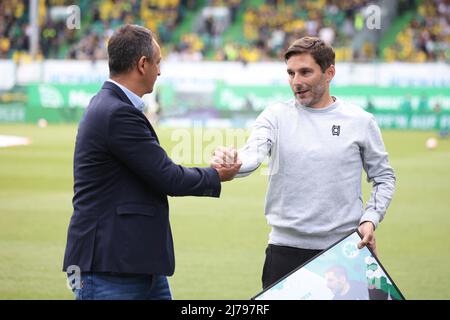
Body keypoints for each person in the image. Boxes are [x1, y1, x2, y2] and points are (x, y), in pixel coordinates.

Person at [62, 24, 241, 300]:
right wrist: (217, 175)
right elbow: (167, 176)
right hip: (111, 267)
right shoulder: (116, 112)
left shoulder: (111, 106)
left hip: (134, 263)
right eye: (158, 63)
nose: (160, 71)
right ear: (142, 64)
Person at [212, 37, 396, 289]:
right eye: (290, 73)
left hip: (343, 249)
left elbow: (384, 178)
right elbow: (252, 155)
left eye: (305, 72)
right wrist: (233, 162)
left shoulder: (360, 121)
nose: (296, 82)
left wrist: (370, 219)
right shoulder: (275, 116)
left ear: (329, 72)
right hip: (284, 252)